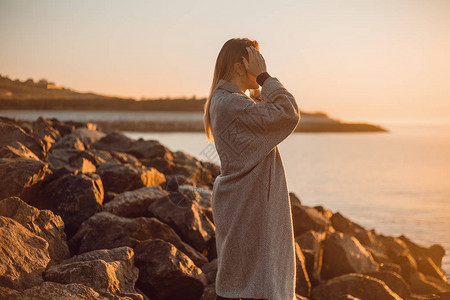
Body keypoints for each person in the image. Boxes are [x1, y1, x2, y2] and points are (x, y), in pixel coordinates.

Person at [203, 38, 301, 300]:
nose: (261, 64)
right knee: (251, 286)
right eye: (255, 60)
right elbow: (288, 113)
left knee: (248, 282)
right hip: (249, 205)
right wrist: (265, 77)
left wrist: (258, 85)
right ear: (238, 67)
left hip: (247, 202)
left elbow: (269, 111)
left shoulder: (231, 100)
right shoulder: (230, 104)